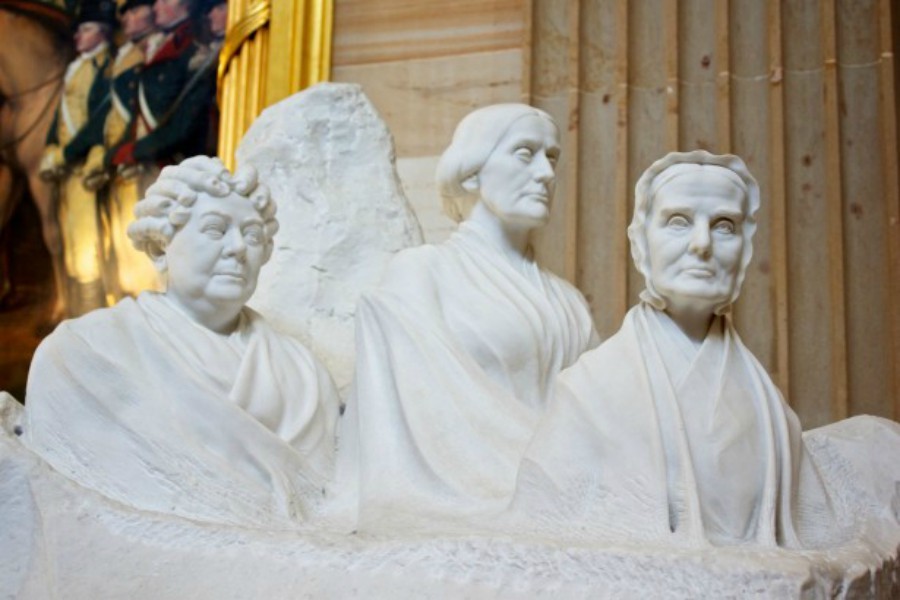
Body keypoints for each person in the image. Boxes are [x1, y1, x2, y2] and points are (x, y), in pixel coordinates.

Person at [513, 150, 836, 548]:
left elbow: (820, 534)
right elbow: (539, 531)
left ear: (745, 251)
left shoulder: (773, 415)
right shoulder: (588, 393)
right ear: (640, 243)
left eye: (724, 226)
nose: (702, 244)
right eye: (679, 222)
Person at [22, 156, 341, 528]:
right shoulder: (84, 354)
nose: (239, 248)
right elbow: (65, 508)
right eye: (215, 230)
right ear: (160, 249)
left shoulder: (303, 374)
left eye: (253, 235)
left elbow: (327, 497)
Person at [339, 104, 599, 530]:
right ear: (472, 171)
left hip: (567, 504)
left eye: (551, 158)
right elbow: (401, 423)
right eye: (524, 153)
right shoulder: (424, 272)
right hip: (465, 503)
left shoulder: (569, 302)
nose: (547, 173)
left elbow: (601, 417)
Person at [82, 0, 162, 302]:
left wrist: (124, 151)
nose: (126, 18)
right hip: (120, 159)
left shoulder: (148, 51)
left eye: (134, 9)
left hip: (141, 159)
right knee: (123, 251)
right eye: (123, 13)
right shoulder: (124, 55)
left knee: (142, 251)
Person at [39, 0, 115, 315]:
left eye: (85, 29)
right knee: (73, 243)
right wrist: (52, 146)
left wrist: (68, 152)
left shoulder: (107, 67)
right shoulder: (76, 68)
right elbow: (60, 117)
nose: (78, 37)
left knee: (89, 246)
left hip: (87, 167)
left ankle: (92, 314)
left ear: (103, 33)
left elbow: (99, 121)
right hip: (68, 170)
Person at [108, 0, 212, 178]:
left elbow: (183, 124)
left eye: (163, 1)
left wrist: (136, 150)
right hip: (151, 159)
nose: (155, 8)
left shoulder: (195, 44)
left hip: (176, 163)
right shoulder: (163, 44)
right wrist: (123, 150)